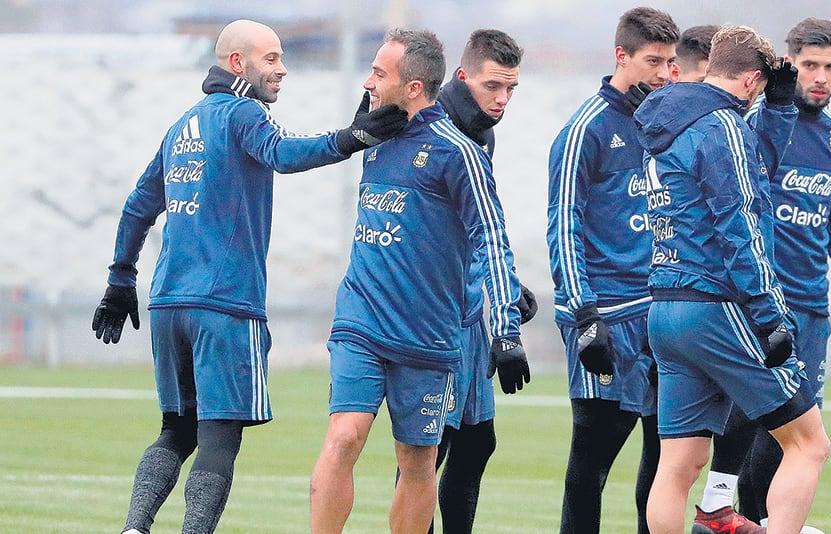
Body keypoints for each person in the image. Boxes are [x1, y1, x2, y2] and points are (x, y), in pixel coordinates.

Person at [90, 19, 408, 534]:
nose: (282, 70)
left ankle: (135, 527)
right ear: (236, 63)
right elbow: (282, 153)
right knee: (220, 435)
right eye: (271, 59)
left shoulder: (183, 124)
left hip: (169, 302)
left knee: (176, 430)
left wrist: (120, 280)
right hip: (224, 306)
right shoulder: (243, 114)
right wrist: (352, 139)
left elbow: (136, 207)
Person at [308, 28, 528, 534]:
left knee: (417, 460)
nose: (368, 81)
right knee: (344, 436)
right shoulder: (373, 139)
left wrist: (506, 326)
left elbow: (491, 238)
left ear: (412, 88)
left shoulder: (460, 153)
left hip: (428, 335)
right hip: (361, 321)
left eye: (379, 73)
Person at [633, 25, 831, 534]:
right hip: (714, 306)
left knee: (678, 466)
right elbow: (740, 224)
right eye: (761, 89)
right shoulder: (722, 127)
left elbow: (744, 170)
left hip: (665, 306)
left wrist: (780, 110)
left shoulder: (670, 123)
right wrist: (771, 315)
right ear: (749, 81)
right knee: (809, 443)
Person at [694, 18, 831, 533]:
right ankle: (725, 511)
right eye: (811, 65)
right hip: (758, 306)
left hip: (812, 312)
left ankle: (748, 521)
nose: (821, 77)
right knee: (762, 424)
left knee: (792, 437)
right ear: (788, 64)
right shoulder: (756, 127)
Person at [546, 7, 678, 533]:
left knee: (668, 456)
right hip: (607, 314)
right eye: (653, 61)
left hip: (664, 311)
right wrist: (584, 315)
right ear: (620, 56)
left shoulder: (666, 124)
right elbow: (563, 225)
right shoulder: (586, 130)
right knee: (591, 467)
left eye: (671, 62)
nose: (665, 73)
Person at [431, 28, 536, 534]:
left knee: (477, 440)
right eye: (493, 86)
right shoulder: (433, 126)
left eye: (511, 89)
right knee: (429, 451)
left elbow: (479, 225)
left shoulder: (481, 134)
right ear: (462, 75)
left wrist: (507, 289)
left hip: (473, 305)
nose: (502, 99)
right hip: (438, 312)